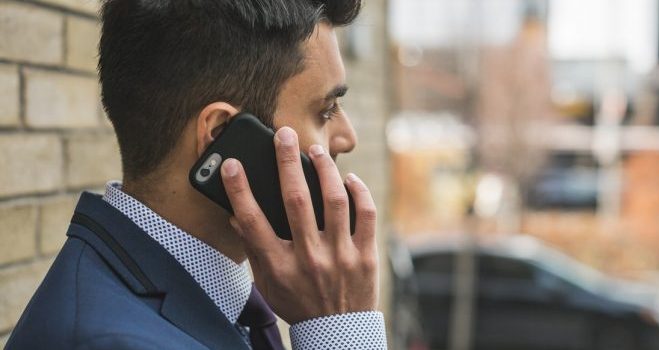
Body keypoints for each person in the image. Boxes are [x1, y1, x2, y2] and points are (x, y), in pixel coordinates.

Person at [5, 0, 385, 349]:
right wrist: (340, 328)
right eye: (325, 110)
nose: (348, 137)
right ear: (221, 136)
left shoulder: (214, 295)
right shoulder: (111, 342)